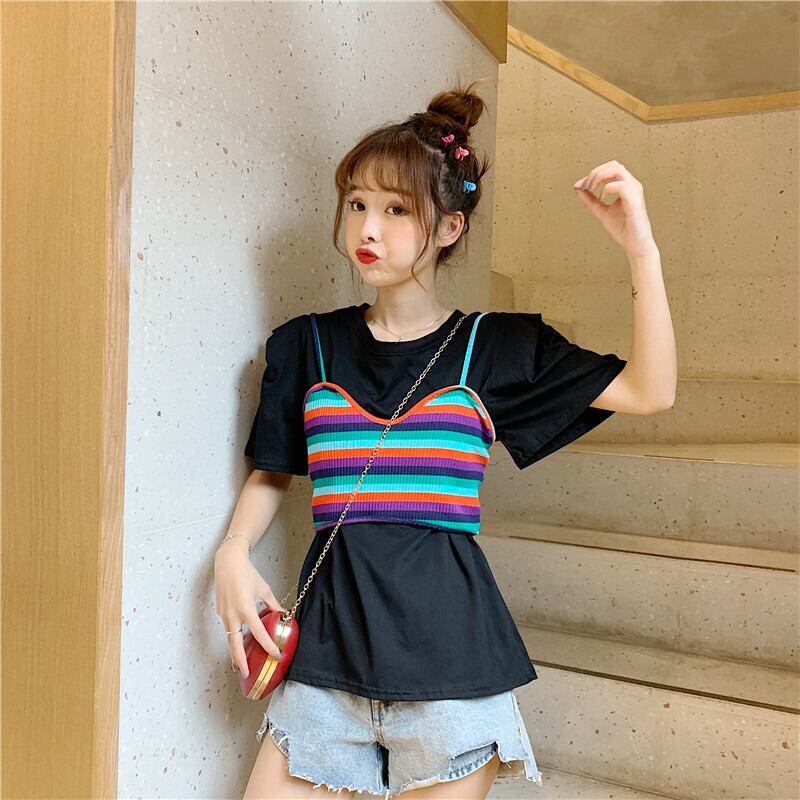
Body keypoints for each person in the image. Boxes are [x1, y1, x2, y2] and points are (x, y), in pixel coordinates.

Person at [214, 79, 676, 800]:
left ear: (451, 228)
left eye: (397, 209)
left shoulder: (494, 349)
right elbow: (274, 471)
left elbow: (652, 390)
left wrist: (640, 249)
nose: (368, 228)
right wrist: (233, 550)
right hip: (326, 664)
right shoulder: (308, 345)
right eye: (357, 203)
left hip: (454, 676)